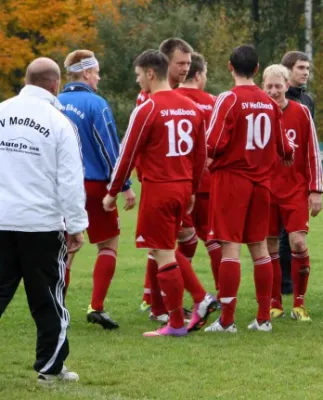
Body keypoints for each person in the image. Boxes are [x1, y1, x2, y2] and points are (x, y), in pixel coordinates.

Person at [105, 49, 216, 337]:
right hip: (182, 188)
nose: (139, 81)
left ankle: (179, 320)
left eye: (139, 75)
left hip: (159, 188)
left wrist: (112, 191)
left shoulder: (148, 107)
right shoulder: (190, 107)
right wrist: (192, 188)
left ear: (150, 73)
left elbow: (127, 154)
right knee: (165, 246)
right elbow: (200, 153)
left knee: (162, 252)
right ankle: (197, 301)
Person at [0, 57, 87, 384]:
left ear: (26, 79)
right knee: (49, 298)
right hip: (40, 224)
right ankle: (50, 368)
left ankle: (52, 366)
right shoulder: (58, 121)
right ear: (55, 84)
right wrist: (76, 225)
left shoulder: (2, 111)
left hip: (2, 219)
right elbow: (69, 179)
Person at [204, 45, 294, 333]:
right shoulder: (270, 103)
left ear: (230, 67)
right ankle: (264, 317)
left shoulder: (228, 99)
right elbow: (285, 148)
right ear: (257, 70)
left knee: (230, 247)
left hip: (232, 181)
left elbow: (214, 143)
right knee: (260, 249)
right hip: (262, 184)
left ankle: (228, 320)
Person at [58, 49, 136, 330]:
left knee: (66, 248)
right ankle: (97, 306)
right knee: (108, 243)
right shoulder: (96, 104)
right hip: (94, 186)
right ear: (87, 73)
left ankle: (58, 308)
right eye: (97, 72)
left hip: (63, 187)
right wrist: (124, 185)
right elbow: (109, 148)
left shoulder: (54, 103)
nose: (99, 77)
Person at [262, 64, 323, 321]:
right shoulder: (259, 113)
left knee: (298, 242)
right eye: (269, 86)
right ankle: (274, 302)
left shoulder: (301, 112)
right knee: (270, 246)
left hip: (295, 190)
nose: (274, 91)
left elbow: (313, 152)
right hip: (265, 189)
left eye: (278, 86)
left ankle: (299, 304)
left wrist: (316, 190)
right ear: (263, 87)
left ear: (287, 85)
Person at [138, 38, 194, 314]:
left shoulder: (175, 99)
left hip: (169, 183)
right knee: (164, 244)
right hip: (164, 182)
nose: (185, 69)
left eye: (188, 63)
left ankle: (169, 304)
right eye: (180, 63)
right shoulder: (148, 98)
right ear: (164, 64)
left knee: (164, 244)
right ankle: (159, 303)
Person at [175, 52, 222, 292]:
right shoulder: (214, 102)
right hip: (207, 182)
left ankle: (155, 298)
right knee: (213, 240)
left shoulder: (170, 99)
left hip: (175, 181)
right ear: (198, 74)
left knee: (165, 244)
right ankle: (222, 294)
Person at [278, 50, 316, 294]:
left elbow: (310, 141)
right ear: (288, 71)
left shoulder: (307, 101)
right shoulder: (274, 98)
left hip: (298, 179)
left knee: (294, 235)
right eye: (301, 68)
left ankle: (290, 285)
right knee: (278, 236)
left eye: (307, 69)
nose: (305, 73)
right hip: (275, 177)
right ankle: (283, 285)